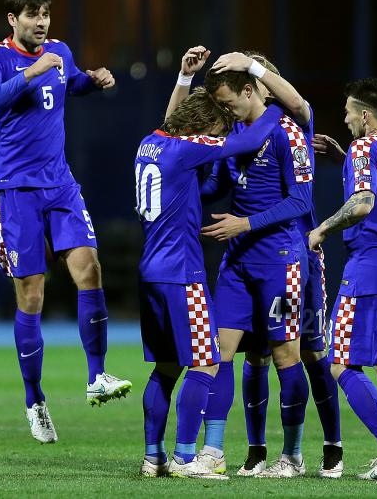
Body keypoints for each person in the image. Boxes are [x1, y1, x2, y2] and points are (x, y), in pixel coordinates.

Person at [0, 0, 131, 443]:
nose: (41, 22)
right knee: (33, 296)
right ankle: (34, 399)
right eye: (31, 14)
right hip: (14, 189)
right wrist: (30, 71)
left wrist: (93, 81)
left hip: (59, 184)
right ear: (12, 19)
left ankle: (96, 376)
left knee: (90, 271)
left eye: (45, 14)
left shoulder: (59, 50)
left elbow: (68, 83)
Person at [196, 52, 344, 478]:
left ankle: (298, 453)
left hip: (285, 259)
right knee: (222, 354)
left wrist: (244, 222)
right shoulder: (236, 133)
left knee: (295, 355)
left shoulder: (288, 130)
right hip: (238, 261)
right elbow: (216, 186)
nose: (225, 111)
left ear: (252, 88)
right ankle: (214, 451)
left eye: (229, 102)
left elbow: (301, 201)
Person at [136, 79, 284, 479]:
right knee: (207, 362)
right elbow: (247, 142)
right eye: (215, 131)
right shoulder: (188, 148)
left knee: (165, 369)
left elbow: (173, 121)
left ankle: (154, 458)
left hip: (149, 272)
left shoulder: (150, 143)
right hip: (183, 274)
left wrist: (183, 80)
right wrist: (276, 107)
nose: (218, 136)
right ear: (200, 130)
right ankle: (186, 457)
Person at [308, 77, 377, 483]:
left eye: (350, 112)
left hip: (367, 270)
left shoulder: (364, 147)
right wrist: (345, 160)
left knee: (340, 364)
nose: (346, 118)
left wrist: (321, 229)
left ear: (367, 116)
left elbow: (365, 203)